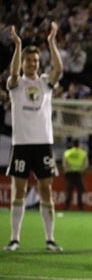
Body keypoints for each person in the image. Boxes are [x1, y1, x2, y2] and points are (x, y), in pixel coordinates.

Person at [4, 22, 64, 252]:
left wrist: (51, 43)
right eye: (29, 61)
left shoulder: (44, 83)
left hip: (43, 144)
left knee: (46, 190)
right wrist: (18, 45)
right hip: (21, 144)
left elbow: (59, 69)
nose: (32, 64)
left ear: (39, 63)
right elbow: (12, 72)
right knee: (18, 190)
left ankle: (50, 239)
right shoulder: (16, 85)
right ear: (24, 63)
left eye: (35, 61)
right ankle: (15, 238)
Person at [62, 138, 89, 210]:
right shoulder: (83, 153)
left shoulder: (67, 152)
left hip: (70, 173)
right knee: (80, 190)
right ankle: (80, 207)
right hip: (78, 173)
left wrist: (67, 170)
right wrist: (82, 170)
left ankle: (67, 206)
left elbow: (64, 164)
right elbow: (86, 164)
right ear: (79, 144)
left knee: (69, 190)